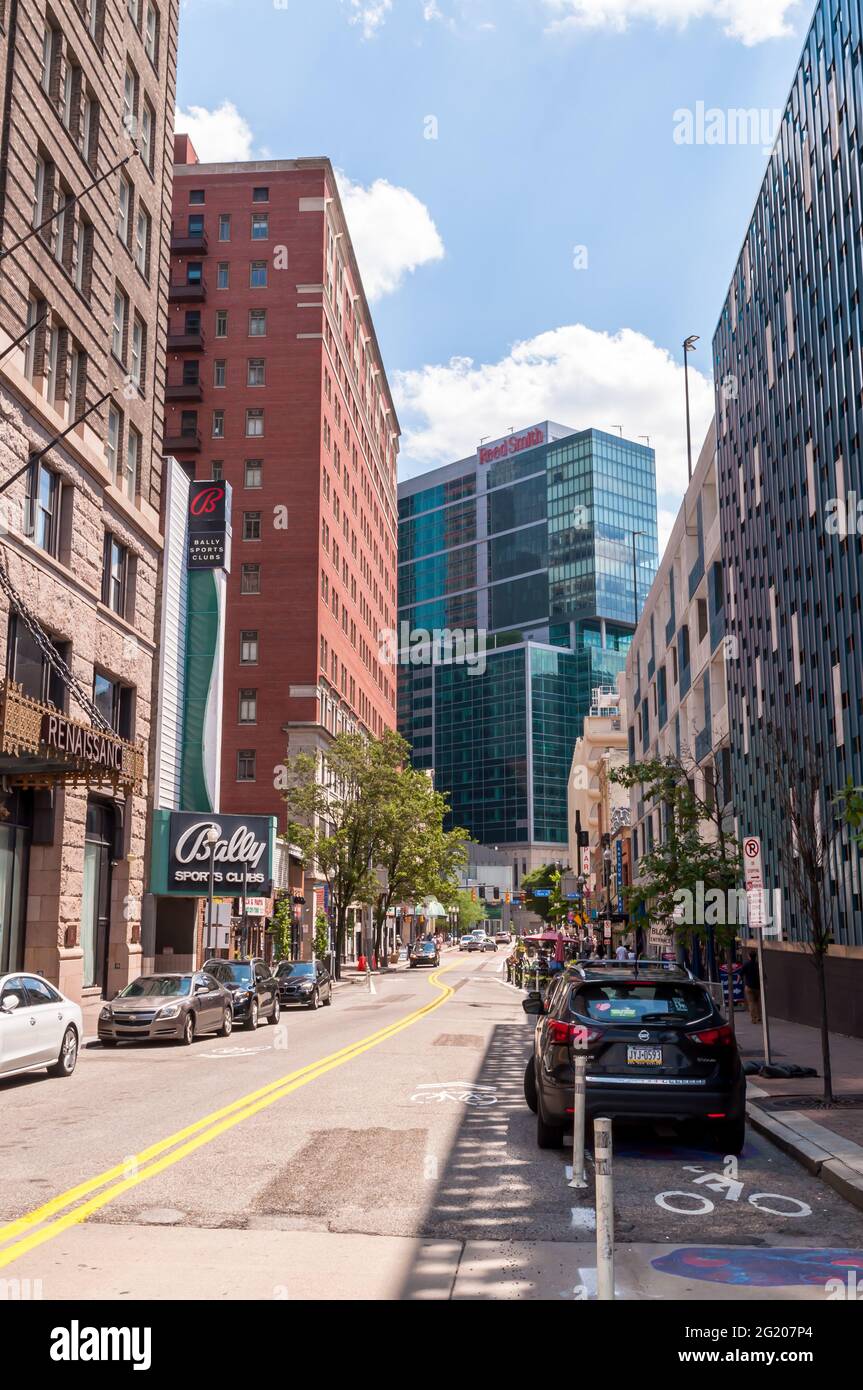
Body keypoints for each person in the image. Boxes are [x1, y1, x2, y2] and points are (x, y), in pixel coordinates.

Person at [742, 949, 762, 1024]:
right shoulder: (758, 964)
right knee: (757, 1002)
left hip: (749, 986)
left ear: (749, 956)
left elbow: (741, 973)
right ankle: (759, 1017)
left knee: (751, 1002)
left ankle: (753, 1019)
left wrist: (739, 979)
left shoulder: (746, 964)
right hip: (757, 986)